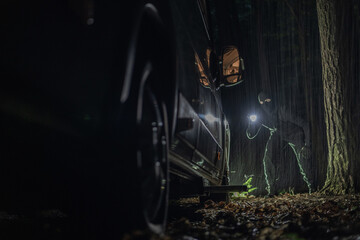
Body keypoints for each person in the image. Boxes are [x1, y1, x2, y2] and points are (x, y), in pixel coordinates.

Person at [246, 91, 313, 195]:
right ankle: (271, 190)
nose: (265, 104)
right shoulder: (261, 114)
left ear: (271, 99)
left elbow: (305, 124)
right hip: (278, 134)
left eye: (267, 100)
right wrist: (251, 123)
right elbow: (250, 135)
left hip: (294, 134)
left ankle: (312, 186)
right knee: (267, 158)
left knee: (303, 158)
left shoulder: (283, 110)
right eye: (262, 102)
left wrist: (307, 145)